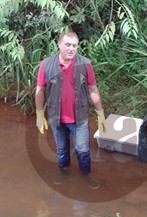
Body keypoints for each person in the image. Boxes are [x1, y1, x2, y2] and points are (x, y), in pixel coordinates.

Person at [35, 31, 106, 188]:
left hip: (79, 118)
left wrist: (100, 113)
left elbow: (93, 89)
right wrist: (39, 114)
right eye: (68, 44)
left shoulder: (85, 64)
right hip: (56, 117)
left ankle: (86, 176)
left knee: (83, 150)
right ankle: (64, 173)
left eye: (75, 45)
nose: (71, 48)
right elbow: (40, 90)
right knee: (61, 150)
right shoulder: (47, 64)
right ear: (59, 44)